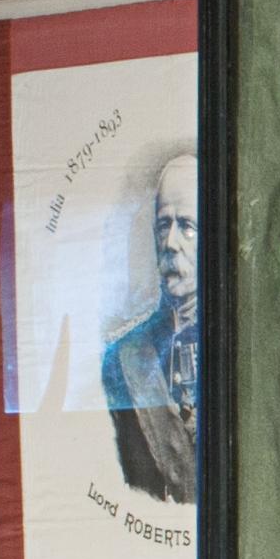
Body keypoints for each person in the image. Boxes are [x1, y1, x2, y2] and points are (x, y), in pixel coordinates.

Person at [101, 150, 197, 505]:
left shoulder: (249, 345)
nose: (170, 242)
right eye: (163, 225)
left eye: (187, 226)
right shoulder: (123, 359)